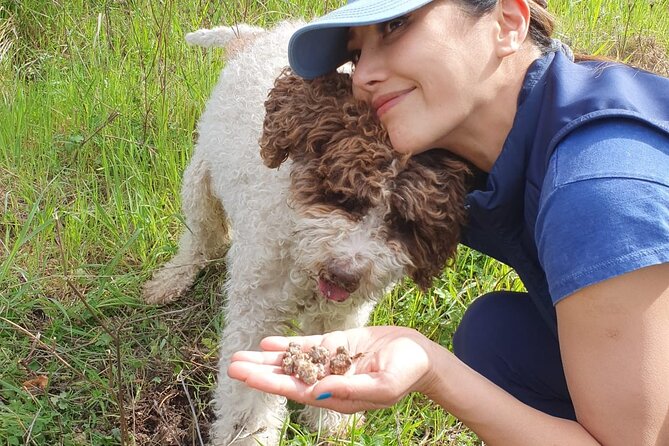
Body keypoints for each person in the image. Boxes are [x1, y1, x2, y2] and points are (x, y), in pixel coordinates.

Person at [228, 0, 669, 444]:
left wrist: (432, 370)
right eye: (356, 54)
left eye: (396, 26)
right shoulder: (490, 142)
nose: (362, 76)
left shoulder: (597, 191)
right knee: (495, 336)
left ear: (508, 23)